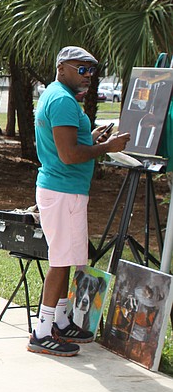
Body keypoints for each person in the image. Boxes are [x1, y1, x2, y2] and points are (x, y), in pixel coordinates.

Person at [30, 46, 131, 356]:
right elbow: (69, 154)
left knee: (68, 257)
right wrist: (107, 147)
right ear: (62, 68)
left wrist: (93, 138)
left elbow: (72, 143)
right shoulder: (61, 100)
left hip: (66, 191)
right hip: (63, 191)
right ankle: (43, 331)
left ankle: (59, 320)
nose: (88, 76)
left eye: (91, 70)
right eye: (81, 69)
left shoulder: (58, 96)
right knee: (60, 261)